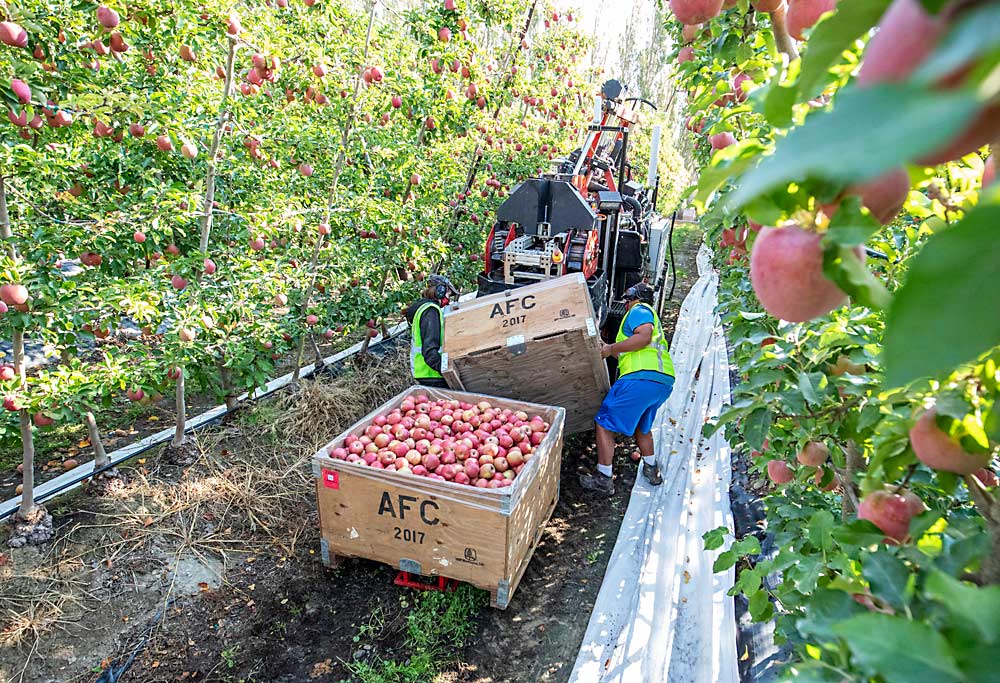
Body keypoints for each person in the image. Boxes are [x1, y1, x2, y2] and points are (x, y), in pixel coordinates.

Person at [579, 282, 675, 495]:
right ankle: (652, 469)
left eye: (626, 300)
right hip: (661, 381)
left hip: (639, 379)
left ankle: (604, 478)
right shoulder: (649, 316)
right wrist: (609, 349)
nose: (624, 304)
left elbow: (643, 337)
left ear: (633, 298)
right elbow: (628, 351)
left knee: (604, 423)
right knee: (642, 426)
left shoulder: (639, 310)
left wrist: (611, 347)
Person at [405, 274, 458, 388]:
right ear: (440, 291)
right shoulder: (431, 311)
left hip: (425, 373)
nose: (448, 300)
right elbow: (430, 350)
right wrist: (445, 371)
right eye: (448, 294)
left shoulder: (424, 309)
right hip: (431, 374)